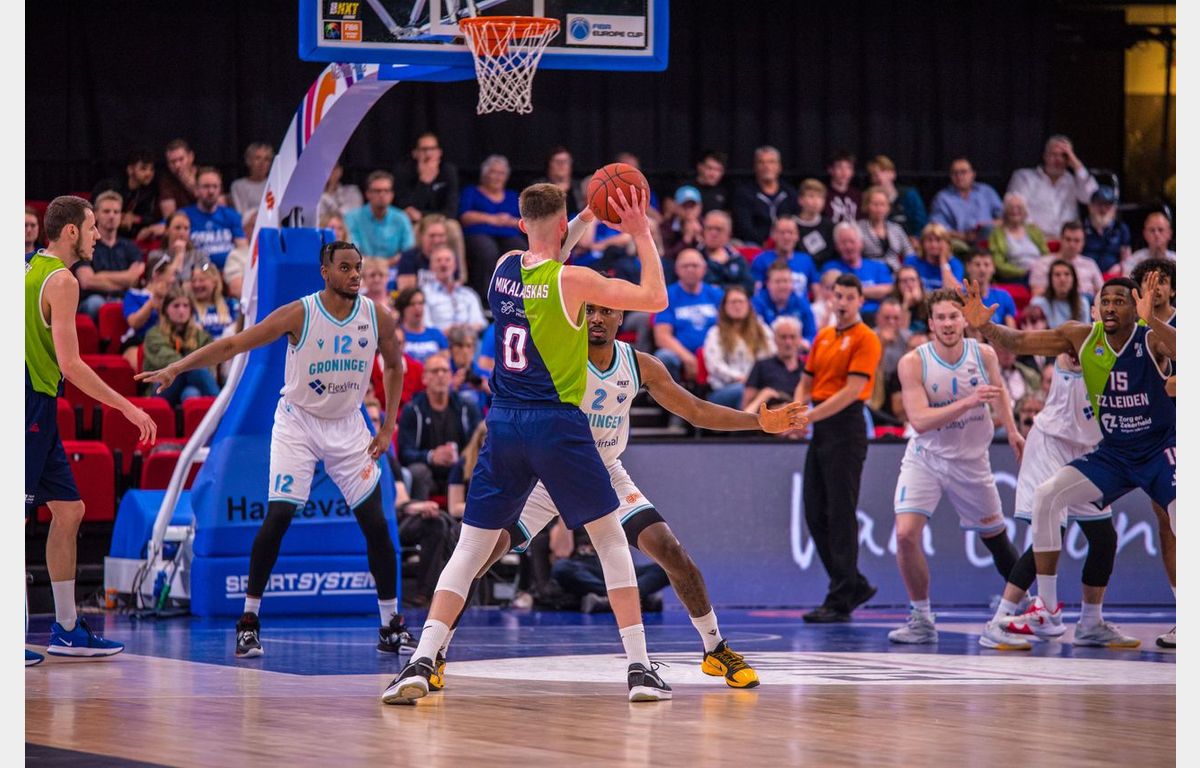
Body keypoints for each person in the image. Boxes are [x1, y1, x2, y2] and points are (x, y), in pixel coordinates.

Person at [381, 183, 673, 705]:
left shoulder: (503, 269)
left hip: (504, 422)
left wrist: (584, 217)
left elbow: (548, 255)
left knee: (470, 548)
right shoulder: (576, 281)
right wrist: (640, 231)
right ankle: (639, 669)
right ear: (561, 227)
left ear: (520, 225)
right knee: (609, 540)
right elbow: (656, 297)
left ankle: (420, 661)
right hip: (556, 423)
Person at [428, 303, 808, 691]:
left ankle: (715, 648)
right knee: (480, 557)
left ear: (621, 317)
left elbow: (694, 410)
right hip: (546, 473)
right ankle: (436, 652)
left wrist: (757, 422)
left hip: (605, 470)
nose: (597, 318)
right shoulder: (558, 355)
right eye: (589, 310)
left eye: (606, 311)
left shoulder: (640, 365)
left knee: (670, 550)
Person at [137, 240, 413, 659]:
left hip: (347, 425)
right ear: (325, 272)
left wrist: (388, 424)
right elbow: (234, 345)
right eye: (345, 267)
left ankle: (390, 626)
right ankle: (248, 621)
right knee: (279, 515)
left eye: (358, 267)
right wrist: (177, 367)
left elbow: (393, 366)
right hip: (298, 421)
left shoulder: (377, 316)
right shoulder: (300, 314)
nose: (355, 274)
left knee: (377, 524)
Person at [961, 273, 1174, 648]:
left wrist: (1152, 320)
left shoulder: (1149, 337)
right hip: (1113, 452)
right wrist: (986, 327)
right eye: (1105, 301)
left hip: (1159, 450)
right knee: (1048, 497)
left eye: (1119, 301)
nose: (1110, 307)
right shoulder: (1081, 336)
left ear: (1135, 305)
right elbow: (1020, 341)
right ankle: (1046, 609)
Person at [26, 196, 157, 665]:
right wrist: (128, 407)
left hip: (36, 404)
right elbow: (71, 364)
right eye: (92, 226)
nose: (98, 234)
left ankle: (65, 629)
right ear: (71, 232)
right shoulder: (62, 281)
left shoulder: (28, 266)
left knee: (70, 511)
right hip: (29, 402)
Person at [887, 289, 1023, 643]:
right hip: (927, 457)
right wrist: (968, 402)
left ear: (964, 320)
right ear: (931, 324)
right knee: (905, 535)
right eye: (941, 318)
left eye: (953, 316)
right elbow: (919, 421)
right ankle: (921, 618)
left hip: (971, 460)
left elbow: (999, 393)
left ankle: (1026, 608)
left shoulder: (984, 354)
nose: (948, 324)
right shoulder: (913, 362)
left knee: (996, 539)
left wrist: (1012, 431)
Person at [976, 351, 1113, 651]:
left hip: (1086, 451)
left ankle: (1091, 623)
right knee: (1051, 533)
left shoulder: (1133, 350)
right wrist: (991, 330)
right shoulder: (1078, 345)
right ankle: (999, 621)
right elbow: (1025, 342)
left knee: (1104, 537)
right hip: (1051, 446)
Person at [794, 273, 883, 623]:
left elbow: (852, 392)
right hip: (822, 425)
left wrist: (809, 416)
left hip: (846, 426)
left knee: (841, 512)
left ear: (860, 301)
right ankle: (851, 583)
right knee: (815, 511)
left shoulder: (866, 338)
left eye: (849, 297)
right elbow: (806, 381)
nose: (843, 302)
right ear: (830, 299)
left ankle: (842, 593)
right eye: (838, 296)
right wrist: (797, 411)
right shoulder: (824, 336)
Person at [1129, 257, 1177, 648]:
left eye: (1161, 281)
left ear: (1173, 288)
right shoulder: (1131, 330)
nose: (1155, 288)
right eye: (1147, 282)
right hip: (1159, 438)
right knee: (1167, 523)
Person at [398, 352, 483, 501]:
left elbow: (478, 444)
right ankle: (419, 514)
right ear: (424, 378)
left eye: (445, 370)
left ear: (451, 376)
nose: (440, 375)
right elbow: (405, 453)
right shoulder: (412, 410)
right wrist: (431, 456)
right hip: (428, 474)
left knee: (478, 467)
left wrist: (462, 459)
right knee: (418, 471)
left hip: (460, 472)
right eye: (435, 371)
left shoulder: (468, 407)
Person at [653, 249, 725, 383]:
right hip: (681, 355)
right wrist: (688, 358)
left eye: (695, 266)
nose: (690, 269)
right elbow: (662, 337)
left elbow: (728, 329)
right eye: (685, 266)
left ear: (704, 269)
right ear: (677, 270)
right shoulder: (668, 295)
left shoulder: (716, 294)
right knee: (664, 356)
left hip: (714, 352)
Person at [459, 155, 526, 297]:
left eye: (501, 173)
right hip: (479, 233)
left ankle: (515, 296)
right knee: (487, 251)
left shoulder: (513, 196)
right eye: (493, 172)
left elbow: (524, 220)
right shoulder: (471, 192)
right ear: (484, 174)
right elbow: (465, 216)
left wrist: (509, 221)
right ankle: (487, 296)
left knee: (519, 249)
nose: (497, 177)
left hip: (508, 234)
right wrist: (492, 219)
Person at [1006, 134, 1099, 237]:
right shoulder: (1024, 177)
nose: (1058, 160)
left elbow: (1092, 197)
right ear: (1045, 156)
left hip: (1067, 241)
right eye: (1054, 154)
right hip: (1033, 239)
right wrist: (1037, 237)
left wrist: (1077, 165)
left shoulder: (1073, 180)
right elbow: (1015, 211)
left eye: (1064, 155)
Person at [142, 286, 220, 406]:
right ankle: (223, 407)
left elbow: (211, 366)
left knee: (191, 394)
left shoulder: (202, 336)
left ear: (191, 310)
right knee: (193, 368)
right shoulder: (154, 335)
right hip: (161, 387)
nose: (181, 310)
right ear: (165, 310)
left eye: (185, 305)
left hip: (192, 385)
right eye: (176, 306)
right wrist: (194, 363)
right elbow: (169, 363)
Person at [75, 190, 145, 319]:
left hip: (125, 299)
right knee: (96, 304)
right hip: (94, 300)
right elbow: (87, 281)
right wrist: (125, 280)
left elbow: (134, 278)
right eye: (106, 211)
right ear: (96, 215)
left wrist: (101, 276)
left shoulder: (131, 247)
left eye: (116, 212)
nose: (112, 216)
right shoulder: (85, 245)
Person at [702, 287, 775, 408]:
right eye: (733, 302)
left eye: (741, 302)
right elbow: (715, 366)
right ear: (724, 307)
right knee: (744, 391)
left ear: (749, 305)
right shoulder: (715, 333)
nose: (737, 306)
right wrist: (742, 379)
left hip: (758, 386)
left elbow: (772, 356)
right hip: (725, 389)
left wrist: (758, 380)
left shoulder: (762, 330)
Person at [820, 222, 894, 323]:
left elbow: (888, 289)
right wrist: (872, 292)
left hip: (877, 318)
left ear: (861, 243)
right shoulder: (830, 267)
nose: (848, 246)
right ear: (837, 246)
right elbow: (831, 294)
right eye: (843, 243)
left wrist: (851, 293)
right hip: (843, 318)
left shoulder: (877, 266)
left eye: (852, 241)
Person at [182, 167, 249, 271]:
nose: (211, 191)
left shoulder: (231, 215)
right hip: (197, 272)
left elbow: (243, 249)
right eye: (206, 186)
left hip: (229, 272)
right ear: (196, 190)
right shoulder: (184, 216)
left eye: (215, 186)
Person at [121, 251, 177, 369]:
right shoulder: (134, 294)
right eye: (172, 275)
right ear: (156, 274)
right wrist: (152, 302)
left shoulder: (174, 297)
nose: (174, 279)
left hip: (164, 341)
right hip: (138, 341)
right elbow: (134, 323)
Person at [732, 146, 799, 245]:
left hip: (786, 244)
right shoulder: (744, 194)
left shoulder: (790, 193)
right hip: (756, 245)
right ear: (755, 167)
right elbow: (744, 228)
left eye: (771, 162)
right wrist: (767, 242)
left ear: (779, 167)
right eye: (761, 162)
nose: (766, 166)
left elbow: (797, 222)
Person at [345, 170, 416, 265]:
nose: (382, 195)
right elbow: (351, 250)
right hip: (361, 268)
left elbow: (408, 250)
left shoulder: (402, 218)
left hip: (394, 268)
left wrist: (386, 264)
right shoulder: (352, 218)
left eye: (386, 191)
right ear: (368, 194)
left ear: (392, 195)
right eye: (377, 191)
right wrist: (373, 266)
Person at [91, 148, 161, 241]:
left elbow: (149, 218)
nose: (149, 173)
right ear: (130, 169)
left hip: (129, 236)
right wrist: (121, 217)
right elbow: (94, 211)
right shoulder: (110, 187)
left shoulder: (148, 191)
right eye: (143, 168)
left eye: (151, 169)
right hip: (100, 234)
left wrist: (134, 218)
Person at [743, 316, 807, 414]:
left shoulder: (807, 369)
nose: (788, 342)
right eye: (783, 337)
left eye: (792, 337)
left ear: (800, 339)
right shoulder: (761, 366)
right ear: (775, 339)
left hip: (798, 418)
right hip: (764, 418)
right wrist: (763, 396)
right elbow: (745, 408)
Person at [929, 157, 1003, 241]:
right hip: (958, 241)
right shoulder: (942, 198)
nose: (959, 176)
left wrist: (988, 225)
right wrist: (963, 236)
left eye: (963, 172)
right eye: (955, 173)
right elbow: (937, 227)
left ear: (973, 174)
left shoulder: (987, 192)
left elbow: (1004, 218)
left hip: (989, 238)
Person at [394, 132, 460, 224]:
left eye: (432, 149)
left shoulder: (448, 171)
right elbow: (407, 209)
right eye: (424, 150)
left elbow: (451, 211)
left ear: (439, 153)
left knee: (453, 226)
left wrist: (422, 215)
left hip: (442, 220)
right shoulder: (404, 171)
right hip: (414, 222)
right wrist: (423, 182)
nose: (428, 154)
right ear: (415, 153)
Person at [1029, 221, 1103, 301]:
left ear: (1083, 243)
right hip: (1055, 303)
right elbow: (1037, 295)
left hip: (1087, 302)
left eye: (1076, 240)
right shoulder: (1043, 263)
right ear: (1060, 239)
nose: (1072, 244)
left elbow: (1102, 293)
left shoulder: (1090, 264)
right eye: (1068, 239)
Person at [749, 216, 819, 298]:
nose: (786, 237)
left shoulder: (806, 260)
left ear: (797, 236)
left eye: (791, 233)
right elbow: (756, 293)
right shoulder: (761, 260)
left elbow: (817, 293)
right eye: (782, 233)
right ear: (773, 235)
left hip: (801, 305)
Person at [421, 246, 486, 335]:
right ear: (431, 266)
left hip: (468, 339)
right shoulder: (424, 294)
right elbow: (426, 325)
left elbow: (479, 322)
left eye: (447, 260)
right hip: (439, 340)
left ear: (455, 265)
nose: (443, 264)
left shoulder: (468, 294)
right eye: (438, 260)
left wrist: (463, 330)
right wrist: (449, 332)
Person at [986, 192, 1048, 282]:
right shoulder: (996, 234)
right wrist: (1024, 272)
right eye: (1011, 208)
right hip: (1015, 277)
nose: (1015, 211)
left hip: (1040, 273)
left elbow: (1046, 254)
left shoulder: (1034, 230)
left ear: (1025, 211)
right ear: (1005, 211)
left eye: (1019, 207)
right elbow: (998, 264)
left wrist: (1040, 269)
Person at [751, 261, 817, 346]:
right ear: (768, 284)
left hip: (796, 350)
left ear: (792, 283)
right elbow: (753, 334)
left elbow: (812, 335)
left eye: (786, 281)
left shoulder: (801, 303)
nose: (782, 286)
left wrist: (805, 343)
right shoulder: (757, 303)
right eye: (778, 281)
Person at [865, 154, 927, 237]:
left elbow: (921, 224)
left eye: (883, 171)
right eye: (874, 174)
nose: (878, 176)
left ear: (893, 174)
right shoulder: (870, 199)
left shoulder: (909, 195)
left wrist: (915, 238)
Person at [858, 186, 915, 271]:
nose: (879, 209)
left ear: (888, 207)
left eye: (883, 204)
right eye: (875, 204)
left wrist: (905, 270)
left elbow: (909, 253)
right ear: (866, 206)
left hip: (895, 273)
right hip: (869, 272)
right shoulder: (858, 228)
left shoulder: (896, 229)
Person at [1082, 186, 1130, 274]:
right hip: (1085, 273)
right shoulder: (1081, 227)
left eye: (1107, 205)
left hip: (1113, 275)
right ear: (1090, 206)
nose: (1103, 209)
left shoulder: (1121, 228)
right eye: (1099, 204)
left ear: (1114, 208)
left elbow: (1126, 258)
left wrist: (1120, 267)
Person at [904, 222, 963, 292]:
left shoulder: (955, 264)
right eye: (929, 240)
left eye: (938, 240)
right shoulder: (911, 261)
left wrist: (943, 261)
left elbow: (954, 291)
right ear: (922, 243)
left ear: (946, 244)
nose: (933, 245)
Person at [394, 287, 449, 363]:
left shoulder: (436, 334)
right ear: (403, 308)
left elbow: (446, 361)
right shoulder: (397, 335)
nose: (417, 308)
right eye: (412, 304)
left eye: (420, 303)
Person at [964, 251, 1017, 327]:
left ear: (993, 268)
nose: (982, 269)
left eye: (986, 265)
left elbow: (1011, 330)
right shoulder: (961, 296)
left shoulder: (1004, 297)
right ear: (968, 267)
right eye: (977, 264)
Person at [1030, 260, 1088, 328]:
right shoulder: (1038, 303)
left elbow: (1086, 331)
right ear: (1050, 280)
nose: (1062, 279)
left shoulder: (1082, 303)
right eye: (1057, 275)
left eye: (1067, 274)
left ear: (1074, 279)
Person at [188, 261, 238, 339]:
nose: (197, 285)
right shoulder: (188, 307)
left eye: (201, 280)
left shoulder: (232, 304)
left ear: (214, 282)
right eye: (193, 281)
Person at [230, 143, 274, 230]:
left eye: (266, 159)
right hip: (248, 228)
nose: (262, 163)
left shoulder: (274, 184)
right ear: (248, 161)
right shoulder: (238, 186)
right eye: (258, 158)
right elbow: (241, 215)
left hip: (271, 226)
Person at [533, 145, 585, 217]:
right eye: (557, 161)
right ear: (549, 164)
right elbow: (537, 214)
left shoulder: (580, 186)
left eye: (565, 161)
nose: (561, 165)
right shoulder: (538, 187)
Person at [795, 179, 836, 265]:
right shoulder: (792, 225)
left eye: (820, 197)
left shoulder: (830, 226)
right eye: (811, 196)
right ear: (800, 200)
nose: (816, 201)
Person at [1120, 212, 1175, 276]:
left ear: (1169, 233)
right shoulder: (1133, 261)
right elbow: (1127, 280)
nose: (1156, 234)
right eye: (1152, 230)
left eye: (1160, 230)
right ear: (1145, 234)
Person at [158, 138, 198, 218]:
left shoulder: (207, 175)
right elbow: (169, 217)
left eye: (181, 159)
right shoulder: (166, 181)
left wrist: (193, 187)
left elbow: (219, 208)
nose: (177, 165)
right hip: (182, 223)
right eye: (172, 162)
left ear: (191, 157)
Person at [823, 151, 861, 224]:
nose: (844, 172)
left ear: (853, 172)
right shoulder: (824, 194)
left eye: (849, 168)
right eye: (839, 167)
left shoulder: (858, 196)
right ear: (830, 170)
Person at [691, 149, 731, 214]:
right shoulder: (686, 187)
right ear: (700, 167)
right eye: (709, 168)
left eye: (718, 170)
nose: (713, 174)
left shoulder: (725, 191)